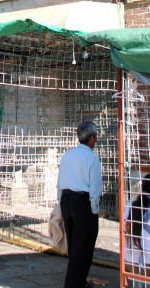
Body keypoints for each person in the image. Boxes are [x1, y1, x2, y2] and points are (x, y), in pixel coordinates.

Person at [57, 120, 103, 288]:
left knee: (74, 243)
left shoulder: (68, 155)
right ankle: (74, 283)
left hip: (66, 201)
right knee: (84, 246)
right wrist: (94, 209)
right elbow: (95, 187)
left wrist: (60, 201)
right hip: (83, 203)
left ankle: (78, 280)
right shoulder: (92, 158)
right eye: (95, 136)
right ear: (91, 138)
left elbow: (59, 181)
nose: (96, 140)